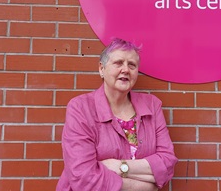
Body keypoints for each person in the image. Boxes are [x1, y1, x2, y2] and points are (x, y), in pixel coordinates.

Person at [56, 38, 178, 191]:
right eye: (118, 63)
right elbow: (83, 178)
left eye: (132, 65)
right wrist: (144, 186)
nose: (126, 69)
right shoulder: (81, 108)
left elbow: (167, 165)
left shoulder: (152, 106)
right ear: (102, 69)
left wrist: (119, 167)